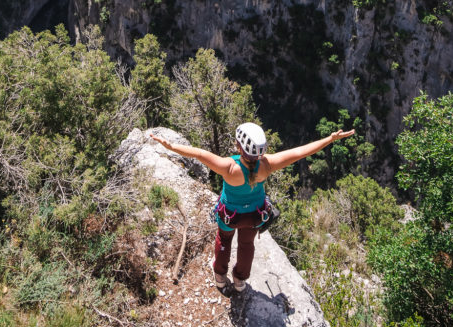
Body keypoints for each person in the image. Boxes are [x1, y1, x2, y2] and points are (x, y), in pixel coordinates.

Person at [149, 122, 355, 292]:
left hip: (230, 215)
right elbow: (299, 153)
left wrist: (171, 146)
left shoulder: (229, 167)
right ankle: (240, 281)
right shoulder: (267, 165)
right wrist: (329, 139)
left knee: (224, 240)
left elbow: (200, 154)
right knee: (247, 246)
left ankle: (220, 276)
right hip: (254, 217)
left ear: (240, 147)